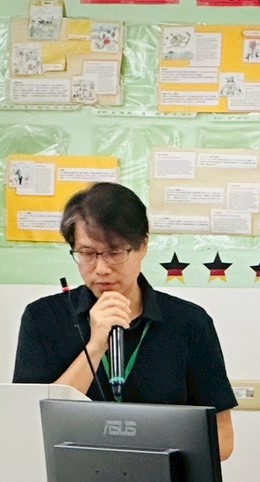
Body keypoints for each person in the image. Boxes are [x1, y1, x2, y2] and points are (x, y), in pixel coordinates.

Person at [11, 182, 237, 459]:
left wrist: (144, 453)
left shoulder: (189, 322)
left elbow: (223, 439)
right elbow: (28, 427)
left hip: (161, 479)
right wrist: (95, 346)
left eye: (115, 252)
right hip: (74, 478)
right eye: (87, 254)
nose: (101, 268)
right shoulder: (42, 318)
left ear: (143, 246)